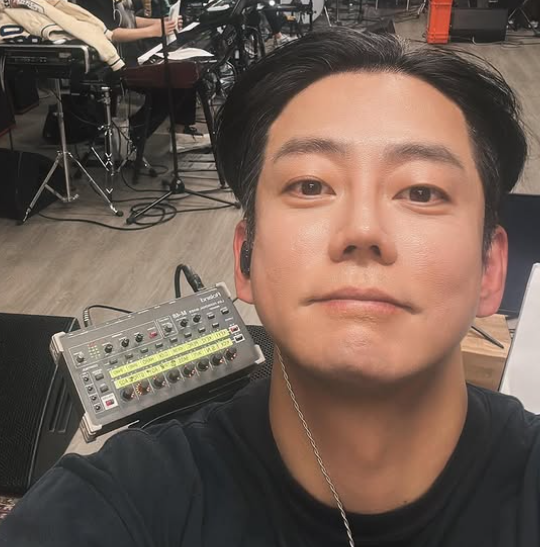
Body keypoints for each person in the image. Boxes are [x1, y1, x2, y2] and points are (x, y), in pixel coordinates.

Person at [0, 27, 536, 547]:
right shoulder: (115, 504)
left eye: (421, 192)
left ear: (491, 269)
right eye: (310, 184)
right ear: (246, 258)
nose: (363, 230)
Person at [77, 0, 210, 151]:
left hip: (132, 54)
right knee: (172, 81)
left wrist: (162, 23)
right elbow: (109, 33)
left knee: (183, 72)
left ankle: (177, 134)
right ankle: (130, 136)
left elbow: (128, 19)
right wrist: (154, 30)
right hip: (111, 62)